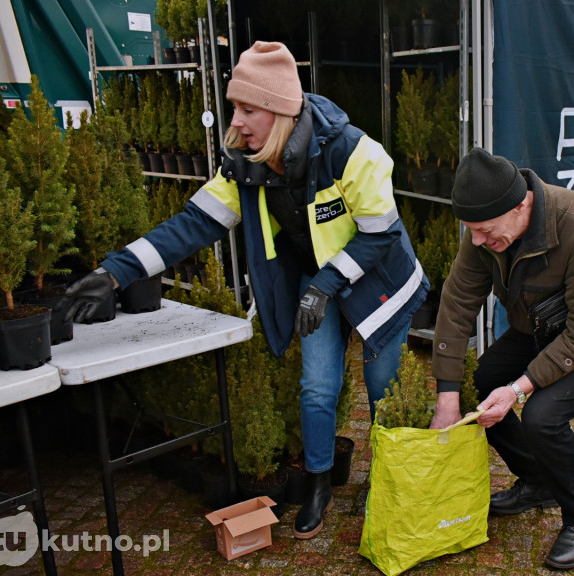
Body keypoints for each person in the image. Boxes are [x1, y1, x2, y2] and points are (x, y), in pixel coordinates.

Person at [58, 41, 428, 539]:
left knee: (386, 389)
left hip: (377, 280)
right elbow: (192, 224)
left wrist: (325, 284)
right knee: (317, 387)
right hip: (316, 282)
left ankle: (393, 478)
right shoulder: (246, 162)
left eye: (247, 108)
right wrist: (116, 273)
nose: (237, 120)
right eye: (235, 106)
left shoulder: (352, 151)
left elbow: (380, 234)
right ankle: (319, 482)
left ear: (278, 111)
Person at [428, 148, 574, 570]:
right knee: (474, 386)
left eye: (485, 230)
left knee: (543, 416)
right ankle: (538, 481)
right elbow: (455, 308)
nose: (476, 241)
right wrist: (447, 397)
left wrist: (517, 389)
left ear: (521, 205)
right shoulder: (486, 231)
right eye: (471, 231)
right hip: (539, 327)